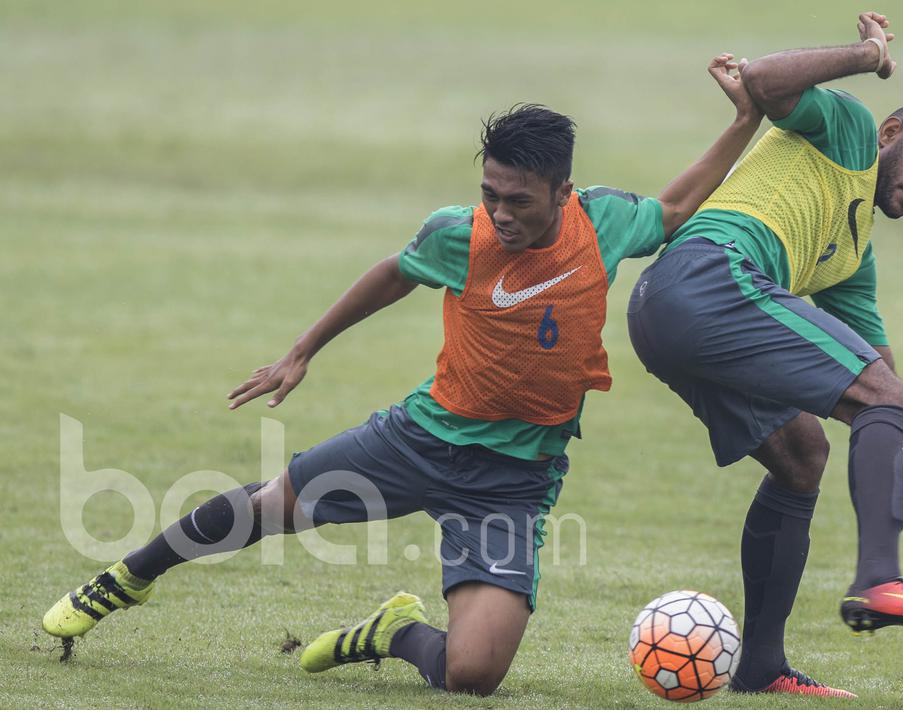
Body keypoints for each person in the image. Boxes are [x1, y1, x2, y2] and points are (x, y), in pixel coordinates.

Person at [41, 55, 764, 696]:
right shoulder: (459, 233)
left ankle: (389, 632)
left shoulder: (601, 223)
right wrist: (302, 350)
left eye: (519, 200)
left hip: (514, 481)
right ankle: (124, 579)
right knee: (266, 508)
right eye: (491, 193)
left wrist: (744, 119)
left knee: (474, 678)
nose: (501, 213)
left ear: (562, 191)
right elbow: (393, 272)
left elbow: (672, 207)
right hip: (420, 439)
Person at [627, 12, 903, 698]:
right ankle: (879, 581)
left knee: (802, 458)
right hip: (705, 276)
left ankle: (762, 667)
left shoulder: (850, 260)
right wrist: (868, 56)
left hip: (666, 314)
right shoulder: (854, 131)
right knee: (871, 402)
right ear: (893, 134)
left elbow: (891, 396)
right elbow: (764, 79)